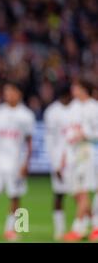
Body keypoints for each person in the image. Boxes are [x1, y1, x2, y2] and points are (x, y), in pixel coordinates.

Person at [0, 82, 35, 241]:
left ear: (18, 93)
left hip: (16, 161)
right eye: (6, 91)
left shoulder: (26, 115)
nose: (8, 94)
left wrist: (27, 163)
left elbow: (29, 141)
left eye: (11, 91)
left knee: (15, 196)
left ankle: (12, 230)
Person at [62, 79, 98, 241]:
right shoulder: (72, 108)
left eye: (76, 87)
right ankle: (93, 225)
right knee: (77, 192)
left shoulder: (94, 107)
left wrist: (86, 135)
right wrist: (64, 155)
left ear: (84, 89)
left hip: (89, 152)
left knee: (83, 190)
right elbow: (68, 132)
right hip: (73, 154)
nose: (73, 89)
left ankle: (77, 229)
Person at [43, 85, 72, 240]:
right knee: (59, 194)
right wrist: (55, 164)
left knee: (81, 194)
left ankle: (81, 227)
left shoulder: (77, 109)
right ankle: (59, 230)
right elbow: (49, 140)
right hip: (59, 159)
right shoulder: (52, 112)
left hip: (77, 157)